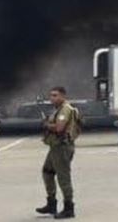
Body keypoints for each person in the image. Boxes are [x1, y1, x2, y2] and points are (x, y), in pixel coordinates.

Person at [35, 86, 80, 219]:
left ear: (63, 96)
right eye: (51, 95)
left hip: (62, 147)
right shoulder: (58, 110)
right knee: (47, 172)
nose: (52, 98)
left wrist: (46, 124)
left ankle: (68, 207)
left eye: (55, 95)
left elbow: (59, 128)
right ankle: (51, 203)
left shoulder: (65, 109)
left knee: (63, 177)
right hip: (55, 146)